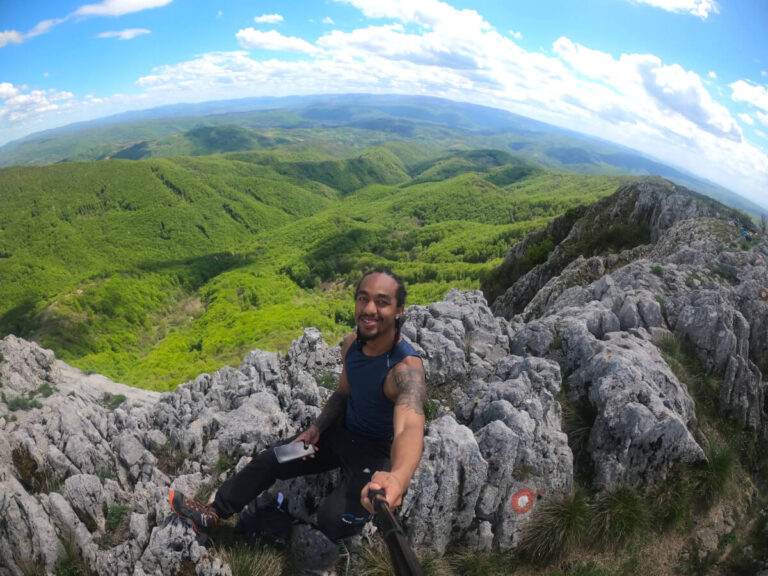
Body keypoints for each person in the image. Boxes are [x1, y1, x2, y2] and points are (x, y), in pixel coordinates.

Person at [169, 268, 426, 544]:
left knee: (332, 518)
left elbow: (409, 427)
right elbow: (342, 393)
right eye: (363, 299)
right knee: (273, 458)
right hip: (337, 435)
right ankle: (215, 512)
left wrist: (398, 478)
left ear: (399, 310)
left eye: (382, 302)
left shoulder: (405, 370)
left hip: (372, 453)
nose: (370, 308)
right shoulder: (352, 345)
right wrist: (318, 427)